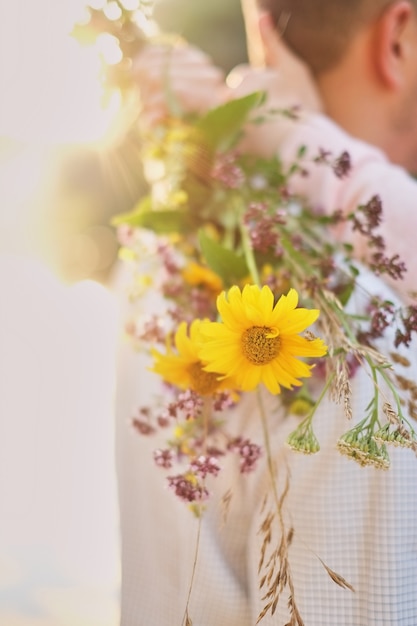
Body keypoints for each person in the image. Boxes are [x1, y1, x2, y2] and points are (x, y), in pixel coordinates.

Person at [114, 2, 417, 624]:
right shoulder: (358, 320)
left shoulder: (156, 261)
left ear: (260, 31)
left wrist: (289, 136)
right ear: (399, 37)